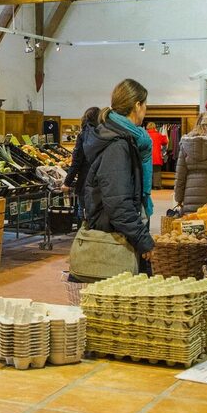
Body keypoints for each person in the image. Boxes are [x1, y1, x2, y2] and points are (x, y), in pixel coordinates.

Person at [80, 79, 154, 274]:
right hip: (115, 238)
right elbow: (118, 202)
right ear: (137, 105)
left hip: (119, 231)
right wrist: (142, 238)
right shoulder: (118, 145)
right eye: (145, 104)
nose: (146, 110)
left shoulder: (123, 139)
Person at [62, 106, 100, 210]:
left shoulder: (83, 135)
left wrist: (67, 183)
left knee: (83, 213)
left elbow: (76, 162)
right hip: (101, 183)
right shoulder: (103, 134)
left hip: (85, 181)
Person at [146, 122, 169, 190]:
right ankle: (156, 185)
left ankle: (148, 186)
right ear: (154, 127)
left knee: (148, 172)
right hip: (156, 157)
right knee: (157, 172)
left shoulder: (145, 134)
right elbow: (165, 141)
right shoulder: (158, 135)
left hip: (147, 156)